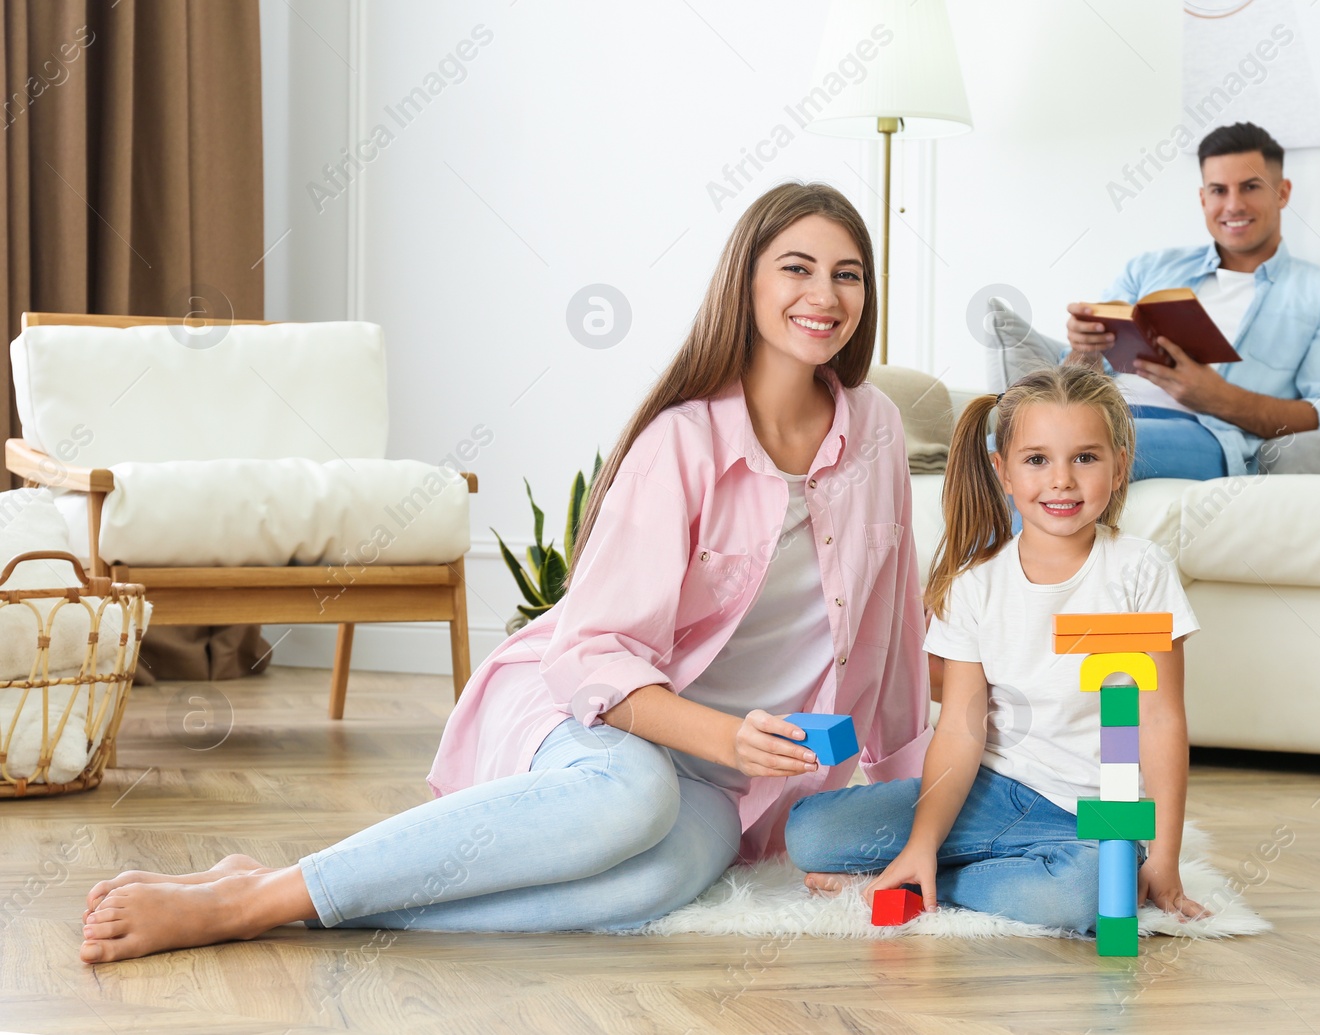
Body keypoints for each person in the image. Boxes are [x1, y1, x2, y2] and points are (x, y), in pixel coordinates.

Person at [77, 182, 931, 963]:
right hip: (605, 718)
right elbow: (593, 655)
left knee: (652, 887)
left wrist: (900, 822)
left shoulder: (877, 430)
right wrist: (725, 735)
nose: (824, 295)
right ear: (745, 283)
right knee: (631, 801)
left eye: (848, 274)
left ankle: (270, 898)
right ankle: (267, 895)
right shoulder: (683, 442)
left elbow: (894, 635)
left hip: (726, 778)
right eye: (798, 267)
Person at [786, 364, 1208, 931]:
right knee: (809, 833)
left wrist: (1163, 857)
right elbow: (961, 728)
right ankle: (930, 863)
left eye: (1085, 457)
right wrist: (922, 839)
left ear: (1119, 463)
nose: (1061, 480)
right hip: (988, 793)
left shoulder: (1140, 571)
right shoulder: (975, 584)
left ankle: (910, 881)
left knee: (1086, 900)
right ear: (1002, 471)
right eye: (1037, 460)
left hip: (1088, 816)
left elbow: (1160, 721)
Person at [1066, 122, 1320, 481]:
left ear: (1283, 192)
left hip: (1206, 434)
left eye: (1251, 187)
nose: (1233, 205)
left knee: (1080, 449)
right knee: (998, 450)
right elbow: (1077, 381)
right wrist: (1084, 351)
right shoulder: (1148, 269)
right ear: (1203, 199)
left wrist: (1217, 397)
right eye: (1218, 190)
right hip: (1104, 414)